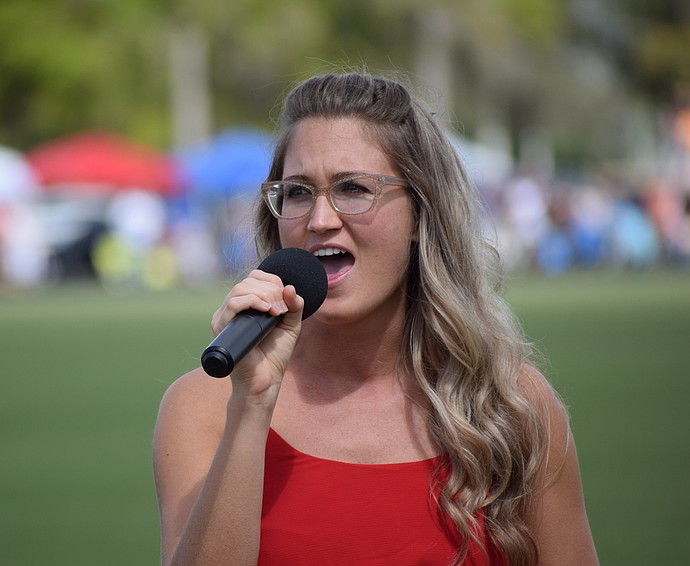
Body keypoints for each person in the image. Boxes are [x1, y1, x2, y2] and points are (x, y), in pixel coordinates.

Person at [153, 71, 599, 565]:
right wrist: (252, 405)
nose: (320, 220)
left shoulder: (512, 405)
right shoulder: (205, 406)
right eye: (298, 192)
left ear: (420, 214)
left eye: (353, 188)